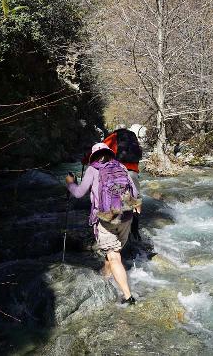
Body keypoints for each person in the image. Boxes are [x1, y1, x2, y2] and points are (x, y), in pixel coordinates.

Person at [65, 142, 140, 305]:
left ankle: (128, 297)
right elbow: (135, 193)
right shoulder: (121, 166)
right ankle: (106, 277)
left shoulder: (93, 169)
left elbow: (78, 193)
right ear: (109, 153)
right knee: (113, 252)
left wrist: (70, 182)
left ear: (94, 156)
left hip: (106, 219)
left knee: (114, 257)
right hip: (126, 217)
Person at [102, 128, 143, 240]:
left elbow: (101, 149)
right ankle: (135, 226)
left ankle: (119, 228)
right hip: (133, 171)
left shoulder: (114, 136)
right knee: (136, 198)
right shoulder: (133, 137)